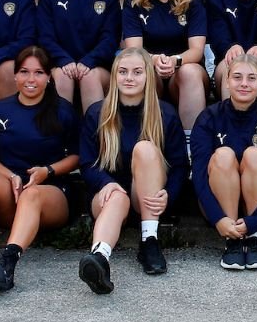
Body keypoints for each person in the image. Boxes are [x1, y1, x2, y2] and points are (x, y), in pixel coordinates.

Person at [0, 46, 81, 292]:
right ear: (15, 76)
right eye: (24, 72)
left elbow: (77, 157)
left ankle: (7, 263)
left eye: (38, 73)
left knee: (32, 193)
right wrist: (11, 176)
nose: (31, 79)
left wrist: (46, 171)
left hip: (50, 192)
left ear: (49, 77)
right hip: (12, 189)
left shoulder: (62, 110)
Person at [77, 48, 188, 293]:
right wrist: (105, 182)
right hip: (109, 195)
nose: (129, 78)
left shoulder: (165, 113)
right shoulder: (97, 113)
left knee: (145, 149)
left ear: (148, 76)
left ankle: (149, 240)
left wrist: (169, 192)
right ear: (114, 76)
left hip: (146, 196)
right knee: (117, 196)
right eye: (123, 72)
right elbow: (86, 163)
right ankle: (100, 259)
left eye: (137, 72)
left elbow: (180, 165)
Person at [190, 54, 257, 271]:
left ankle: (254, 238)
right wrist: (219, 218)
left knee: (254, 155)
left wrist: (256, 221)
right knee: (224, 154)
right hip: (217, 206)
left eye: (251, 78)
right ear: (226, 81)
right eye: (237, 77)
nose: (244, 84)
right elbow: (199, 175)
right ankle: (233, 241)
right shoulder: (208, 118)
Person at [121, 0, 209, 130]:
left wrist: (174, 61)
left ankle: (191, 143)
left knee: (190, 72)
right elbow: (134, 50)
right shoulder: (133, 2)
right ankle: (141, 137)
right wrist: (155, 60)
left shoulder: (193, 1)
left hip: (183, 70)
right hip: (151, 69)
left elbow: (197, 51)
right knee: (140, 70)